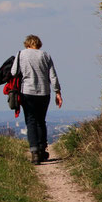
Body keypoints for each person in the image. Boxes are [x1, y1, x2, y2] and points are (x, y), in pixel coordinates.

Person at [11, 35, 63, 165]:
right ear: (39, 44)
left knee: (31, 121)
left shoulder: (21, 54)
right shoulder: (45, 55)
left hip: (27, 92)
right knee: (41, 121)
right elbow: (53, 76)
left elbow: (13, 72)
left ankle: (34, 153)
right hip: (44, 92)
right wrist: (58, 92)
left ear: (27, 44)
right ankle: (41, 150)